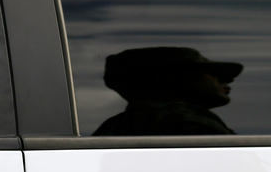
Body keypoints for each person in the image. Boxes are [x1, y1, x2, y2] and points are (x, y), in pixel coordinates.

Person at [93, 47, 242, 136]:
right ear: (164, 78)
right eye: (212, 72)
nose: (229, 80)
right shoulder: (184, 120)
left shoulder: (113, 127)